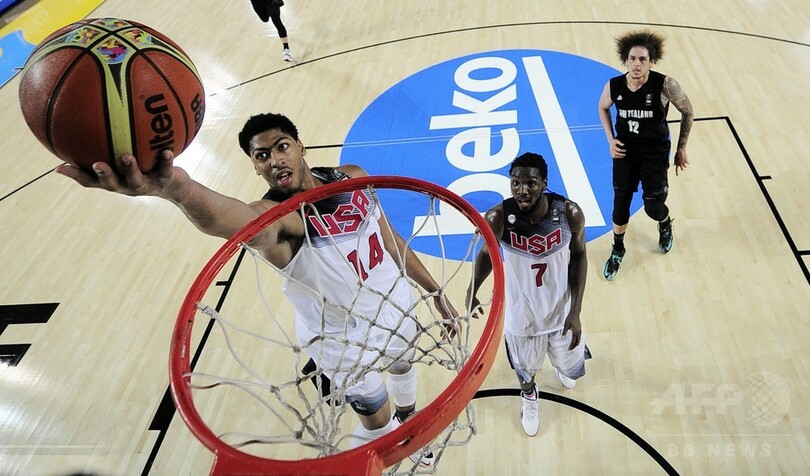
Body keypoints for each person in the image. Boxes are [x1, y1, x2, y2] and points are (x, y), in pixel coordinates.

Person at [56, 112, 456, 467]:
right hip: (341, 339)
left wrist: (437, 294)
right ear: (254, 166)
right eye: (261, 156)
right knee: (377, 418)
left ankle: (410, 425)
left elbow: (391, 241)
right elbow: (235, 220)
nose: (274, 160)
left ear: (300, 147)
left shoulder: (352, 175)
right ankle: (384, 446)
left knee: (405, 367)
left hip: (395, 306)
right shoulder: (278, 219)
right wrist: (178, 189)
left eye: (281, 147)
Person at [466, 152, 589, 437]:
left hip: (560, 308)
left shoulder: (569, 213)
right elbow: (485, 255)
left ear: (544, 183)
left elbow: (580, 255)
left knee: (571, 368)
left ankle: (560, 365)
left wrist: (576, 310)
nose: (522, 190)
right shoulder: (498, 218)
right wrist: (472, 289)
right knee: (526, 369)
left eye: (531, 183)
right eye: (516, 183)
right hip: (522, 313)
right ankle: (530, 395)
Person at [598, 30, 694, 280]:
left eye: (642, 59)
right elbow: (602, 107)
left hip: (654, 155)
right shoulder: (614, 85)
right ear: (626, 60)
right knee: (620, 204)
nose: (637, 64)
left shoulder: (665, 85)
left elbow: (688, 111)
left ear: (652, 61)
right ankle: (618, 249)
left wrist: (682, 146)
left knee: (653, 207)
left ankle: (664, 223)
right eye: (632, 59)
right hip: (625, 154)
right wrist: (610, 140)